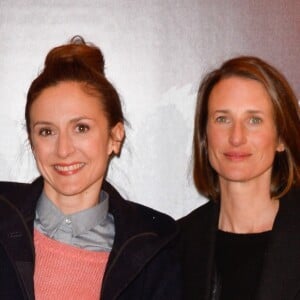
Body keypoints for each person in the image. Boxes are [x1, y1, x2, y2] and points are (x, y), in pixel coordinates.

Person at [0, 36, 181, 300]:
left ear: (115, 137)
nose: (63, 149)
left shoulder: (155, 250)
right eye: (47, 131)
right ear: (32, 141)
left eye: (81, 128)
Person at [178, 56, 300, 300]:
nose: (236, 137)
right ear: (205, 135)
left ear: (281, 138)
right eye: (222, 119)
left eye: (254, 120)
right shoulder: (179, 242)